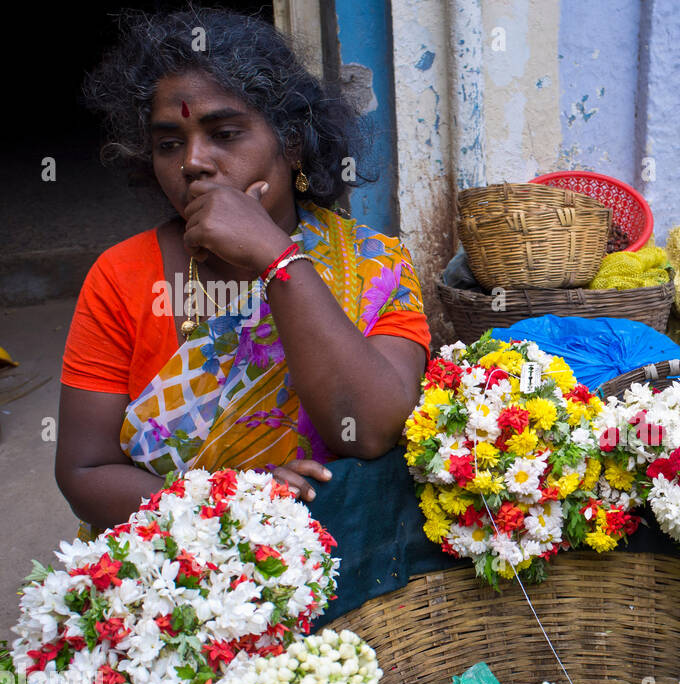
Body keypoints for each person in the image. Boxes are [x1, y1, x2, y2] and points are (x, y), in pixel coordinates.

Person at [58, 7, 430, 534]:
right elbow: (84, 472)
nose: (193, 162)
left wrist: (275, 258)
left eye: (225, 134)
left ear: (292, 142)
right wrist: (232, 505)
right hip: (183, 578)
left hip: (356, 561)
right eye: (169, 144)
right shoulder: (122, 275)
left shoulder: (374, 265)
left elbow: (369, 433)